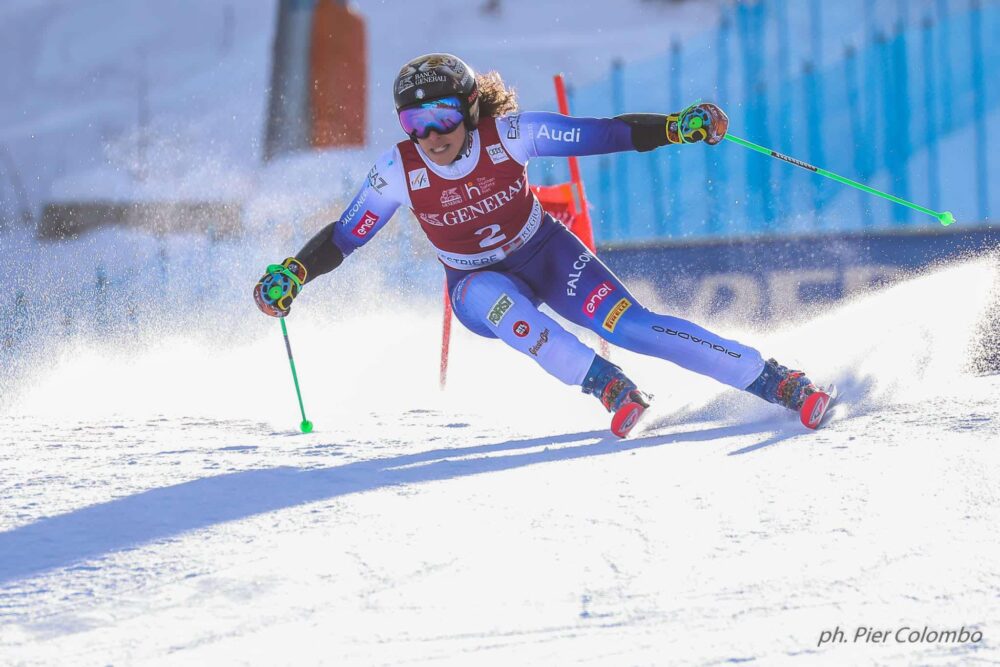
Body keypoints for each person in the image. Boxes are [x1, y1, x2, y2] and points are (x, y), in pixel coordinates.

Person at [254, 53, 834, 437]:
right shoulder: (396, 172)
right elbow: (342, 237)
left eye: (442, 116)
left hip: (549, 255)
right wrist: (294, 273)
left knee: (633, 328)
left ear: (470, 109)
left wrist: (675, 126)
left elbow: (604, 133)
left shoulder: (512, 134)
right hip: (475, 283)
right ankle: (609, 387)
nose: (431, 135)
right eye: (414, 122)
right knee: (509, 311)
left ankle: (775, 380)